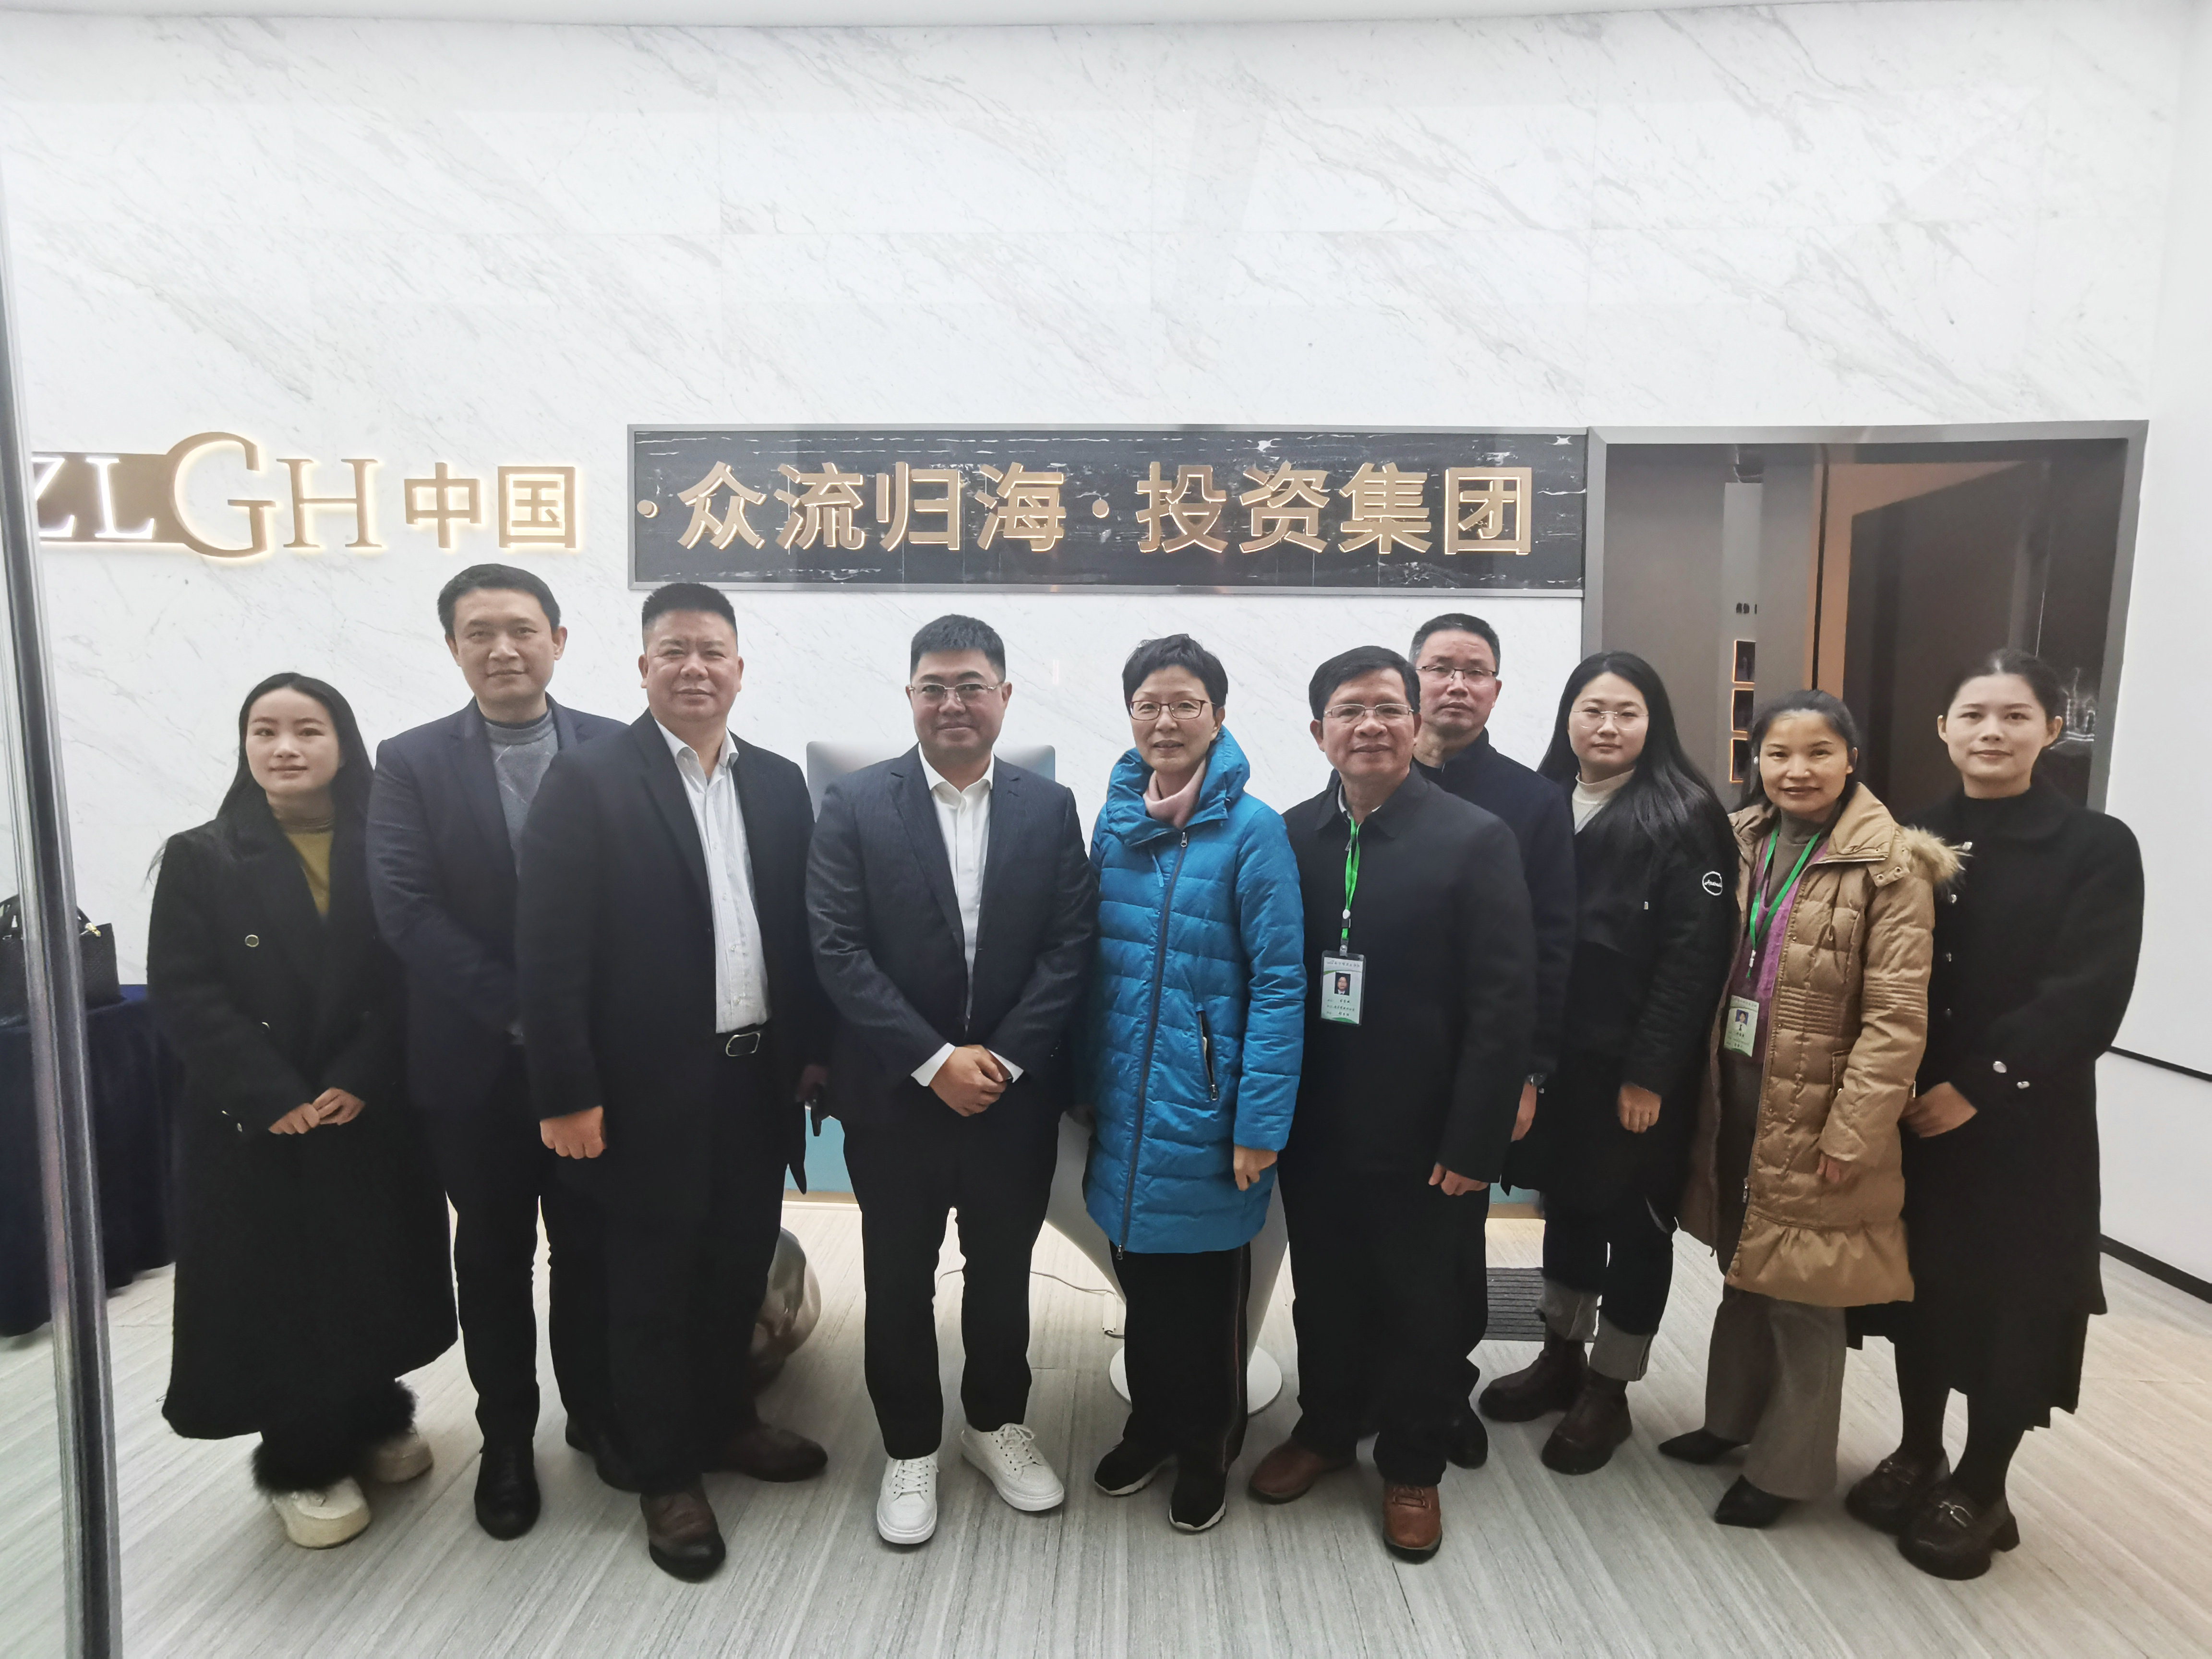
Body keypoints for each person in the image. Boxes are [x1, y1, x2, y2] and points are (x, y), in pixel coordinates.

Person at [515, 582, 832, 1581]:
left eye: (712, 651)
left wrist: (813, 1053)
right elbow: (547, 953)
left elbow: (798, 934)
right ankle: (664, 1474)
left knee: (734, 1270)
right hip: (637, 1093)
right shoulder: (588, 780)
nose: (695, 668)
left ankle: (729, 1421)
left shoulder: (778, 783)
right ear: (643, 666)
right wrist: (565, 1093)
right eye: (674, 650)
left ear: (740, 668)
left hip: (753, 1084)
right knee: (646, 1287)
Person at [1849, 649, 2142, 1580]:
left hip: (2025, 1120)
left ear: (2052, 730)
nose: (1992, 732)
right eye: (1973, 714)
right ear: (1943, 727)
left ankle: (1982, 1484)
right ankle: (1918, 1450)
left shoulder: (2096, 845)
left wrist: (1979, 1084)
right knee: (1921, 1287)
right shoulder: (1907, 835)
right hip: (1912, 1111)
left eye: (2015, 716)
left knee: (2011, 1301)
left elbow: (2088, 992)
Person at [806, 614, 1098, 1547]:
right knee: (897, 1279)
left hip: (1012, 1097)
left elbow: (1070, 945)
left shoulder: (1049, 807)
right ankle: (909, 1446)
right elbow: (837, 948)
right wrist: (935, 1062)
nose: (953, 703)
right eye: (933, 687)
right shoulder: (855, 803)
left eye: (972, 685)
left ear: (1004, 697)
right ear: (910, 698)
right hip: (895, 1096)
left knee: (1003, 1274)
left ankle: (995, 1424)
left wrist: (1002, 1060)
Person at [147, 673, 455, 1550]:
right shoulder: (202, 855)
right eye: (265, 730)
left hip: (365, 1107)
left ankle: (375, 1411)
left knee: (371, 1267)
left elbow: (411, 970)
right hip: (257, 1118)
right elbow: (185, 991)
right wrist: (269, 1091)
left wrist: (363, 1073)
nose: (285, 748)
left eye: (308, 730)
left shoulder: (387, 844)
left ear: (344, 744)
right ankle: (301, 1458)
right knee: (279, 1287)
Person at [1248, 646, 1535, 1562]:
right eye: (1348, 711)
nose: (1368, 726)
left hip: (1428, 1132)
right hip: (1318, 1122)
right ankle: (1329, 1429)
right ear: (1317, 731)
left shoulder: (1476, 839)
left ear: (1415, 723)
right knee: (1325, 1292)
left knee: (1424, 1303)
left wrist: (1476, 1138)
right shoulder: (1288, 836)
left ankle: (1413, 1464)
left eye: (1386, 708)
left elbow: (1504, 1004)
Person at [366, 565, 628, 1539]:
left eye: (522, 629)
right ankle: (507, 1440)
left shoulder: (617, 746)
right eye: (480, 632)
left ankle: (596, 1414)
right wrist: (527, 1013)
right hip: (475, 1064)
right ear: (454, 648)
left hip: (595, 1065)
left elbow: (645, 896)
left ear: (558, 639)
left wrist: (576, 1025)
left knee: (590, 1248)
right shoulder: (410, 761)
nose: (503, 648)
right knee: (492, 1256)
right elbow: (406, 909)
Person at [1664, 690, 1954, 1528]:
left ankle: (1786, 1471)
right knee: (1745, 1263)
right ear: (1756, 761)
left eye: (1819, 752)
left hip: (1822, 1104)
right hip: (1734, 1088)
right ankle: (1731, 1421)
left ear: (1851, 759)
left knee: (1807, 1292)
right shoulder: (1738, 839)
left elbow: (1897, 1018)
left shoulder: (1893, 863)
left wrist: (1856, 1129)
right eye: (1779, 754)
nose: (1798, 770)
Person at [1479, 653, 1735, 1474]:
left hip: (1635, 1074)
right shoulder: (1544, 799)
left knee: (1636, 1224)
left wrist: (1649, 1075)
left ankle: (1611, 1388)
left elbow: (1693, 961)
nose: (1608, 726)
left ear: (1653, 723)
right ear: (1568, 717)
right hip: (1560, 1061)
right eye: (1592, 709)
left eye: (1627, 711)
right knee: (1570, 1206)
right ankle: (1561, 1354)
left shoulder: (1685, 815)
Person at [1078, 634, 1305, 1534]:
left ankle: (1208, 1444)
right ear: (1130, 715)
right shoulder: (1115, 822)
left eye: (1185, 704)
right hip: (1124, 1105)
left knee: (1207, 1300)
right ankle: (1151, 1425)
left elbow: (1282, 983)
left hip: (1209, 1110)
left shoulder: (1253, 831)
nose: (1165, 721)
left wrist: (1259, 1123)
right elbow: (1091, 964)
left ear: (1218, 715)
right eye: (1149, 704)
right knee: (1142, 1287)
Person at [1408, 613, 1577, 1468]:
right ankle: (1364, 1384)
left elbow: (1551, 946)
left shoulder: (1532, 802)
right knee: (1361, 1238)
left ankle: (1443, 1391)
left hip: (1476, 1066)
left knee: (1451, 1239)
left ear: (1497, 691)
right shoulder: (1368, 779)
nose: (1456, 684)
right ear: (1412, 680)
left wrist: (1528, 1073)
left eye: (1474, 670)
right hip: (1372, 1062)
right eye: (1439, 667)